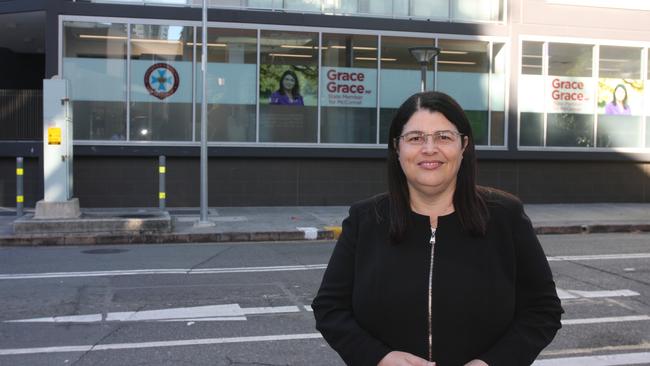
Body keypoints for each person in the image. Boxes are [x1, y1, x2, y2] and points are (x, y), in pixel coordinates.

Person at [312, 91, 563, 366]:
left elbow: (543, 310)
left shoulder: (506, 216)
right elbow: (330, 308)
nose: (429, 148)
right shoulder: (366, 219)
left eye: (444, 137)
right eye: (415, 138)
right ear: (397, 148)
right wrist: (379, 358)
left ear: (464, 145)